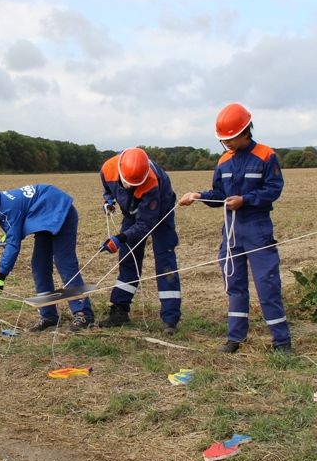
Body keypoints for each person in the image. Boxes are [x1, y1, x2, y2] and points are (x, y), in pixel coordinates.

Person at [180, 103, 292, 354]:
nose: (227, 143)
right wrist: (198, 196)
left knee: (267, 285)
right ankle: (235, 338)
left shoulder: (266, 156)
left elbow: (273, 190)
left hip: (257, 229)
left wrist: (246, 200)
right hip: (231, 231)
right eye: (223, 140)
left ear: (245, 132)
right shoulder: (224, 160)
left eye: (230, 138)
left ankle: (281, 342)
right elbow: (219, 194)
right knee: (234, 285)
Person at [0, 184, 94, 332]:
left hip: (61, 212)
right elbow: (15, 227)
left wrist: (0, 276)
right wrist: (12, 234)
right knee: (39, 266)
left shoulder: (7, 208)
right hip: (44, 219)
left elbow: (13, 244)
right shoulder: (0, 205)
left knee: (64, 263)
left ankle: (83, 314)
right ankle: (48, 315)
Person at [96, 147, 181, 335]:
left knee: (165, 264)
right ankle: (120, 310)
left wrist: (120, 238)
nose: (130, 187)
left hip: (160, 214)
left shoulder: (151, 182)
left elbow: (145, 224)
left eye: (135, 184)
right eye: (127, 183)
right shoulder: (108, 169)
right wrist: (108, 202)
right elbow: (107, 190)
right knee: (128, 260)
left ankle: (170, 320)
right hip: (131, 214)